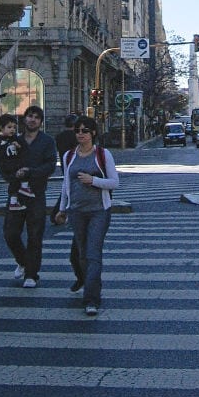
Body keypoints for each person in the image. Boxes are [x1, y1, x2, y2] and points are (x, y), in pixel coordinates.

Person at [55, 115, 119, 316]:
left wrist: (93, 181)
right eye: (77, 130)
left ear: (93, 133)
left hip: (99, 210)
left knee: (93, 254)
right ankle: (89, 284)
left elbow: (114, 182)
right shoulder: (68, 156)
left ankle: (91, 298)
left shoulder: (102, 154)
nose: (80, 134)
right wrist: (62, 209)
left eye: (85, 130)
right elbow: (66, 184)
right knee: (82, 255)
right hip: (76, 211)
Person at [1, 104, 57, 288]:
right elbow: (4, 165)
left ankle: (32, 274)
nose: (32, 119)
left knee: (35, 235)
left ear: (40, 122)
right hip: (16, 193)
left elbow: (49, 166)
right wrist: (12, 176)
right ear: (24, 119)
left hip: (36, 194)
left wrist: (30, 172)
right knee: (10, 233)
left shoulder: (47, 141)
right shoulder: (14, 140)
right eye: (29, 116)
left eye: (36, 117)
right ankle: (23, 261)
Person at [53, 113, 84, 291]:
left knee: (66, 189)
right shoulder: (74, 142)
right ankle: (84, 279)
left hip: (67, 169)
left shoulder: (59, 137)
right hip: (74, 173)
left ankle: (87, 282)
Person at [0, 113, 36, 211]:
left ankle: (14, 201)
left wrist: (19, 147)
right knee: (15, 180)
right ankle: (21, 192)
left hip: (15, 165)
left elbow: (25, 151)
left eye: (14, 127)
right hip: (5, 166)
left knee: (18, 178)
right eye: (9, 127)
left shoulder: (16, 139)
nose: (12, 129)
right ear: (1, 128)